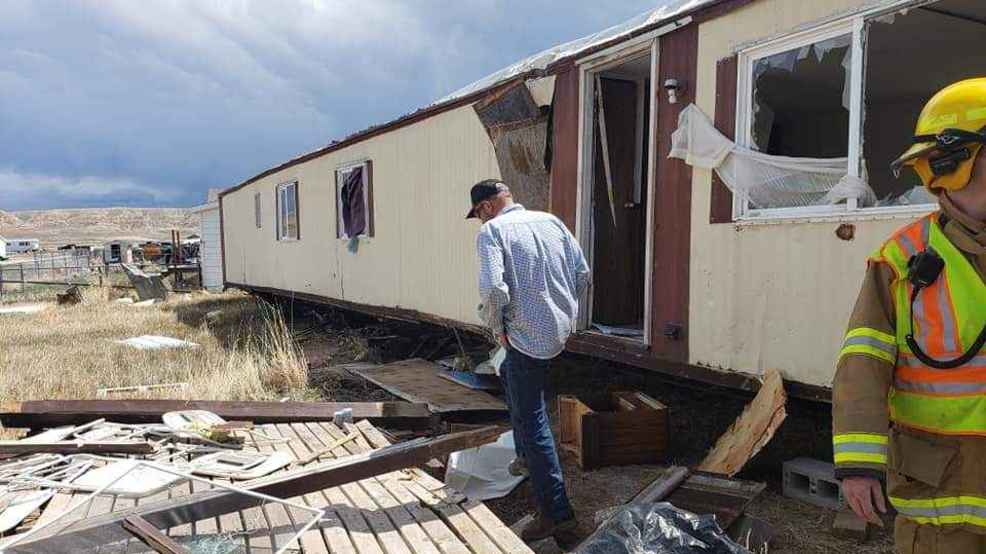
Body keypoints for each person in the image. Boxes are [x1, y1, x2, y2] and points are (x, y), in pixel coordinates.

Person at [833, 78, 986, 553]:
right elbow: (863, 364)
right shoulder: (901, 261)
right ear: (956, 163)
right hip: (943, 498)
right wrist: (858, 467)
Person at [467, 179, 591, 542]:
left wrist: (497, 328)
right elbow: (582, 273)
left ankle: (559, 516)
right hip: (557, 331)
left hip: (524, 338)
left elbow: (494, 289)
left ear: (486, 207)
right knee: (508, 372)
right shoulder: (551, 221)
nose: (479, 220)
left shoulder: (492, 232)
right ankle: (524, 456)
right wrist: (564, 312)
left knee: (534, 420)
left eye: (477, 214)